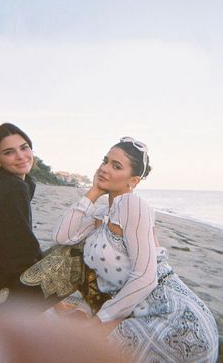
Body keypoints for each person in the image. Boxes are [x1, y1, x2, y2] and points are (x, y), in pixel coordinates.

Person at [53, 136, 219, 363]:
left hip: (174, 320)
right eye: (105, 160)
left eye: (116, 166)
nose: (104, 168)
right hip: (136, 310)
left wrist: (101, 320)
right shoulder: (103, 213)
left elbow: (146, 277)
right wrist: (93, 192)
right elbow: (63, 236)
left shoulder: (133, 205)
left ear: (133, 181)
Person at [0, 123, 58, 311]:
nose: (20, 156)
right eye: (9, 152)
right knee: (81, 255)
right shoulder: (12, 187)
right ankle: (106, 323)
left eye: (24, 147)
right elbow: (21, 253)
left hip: (0, 280)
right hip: (1, 294)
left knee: (62, 252)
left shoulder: (16, 184)